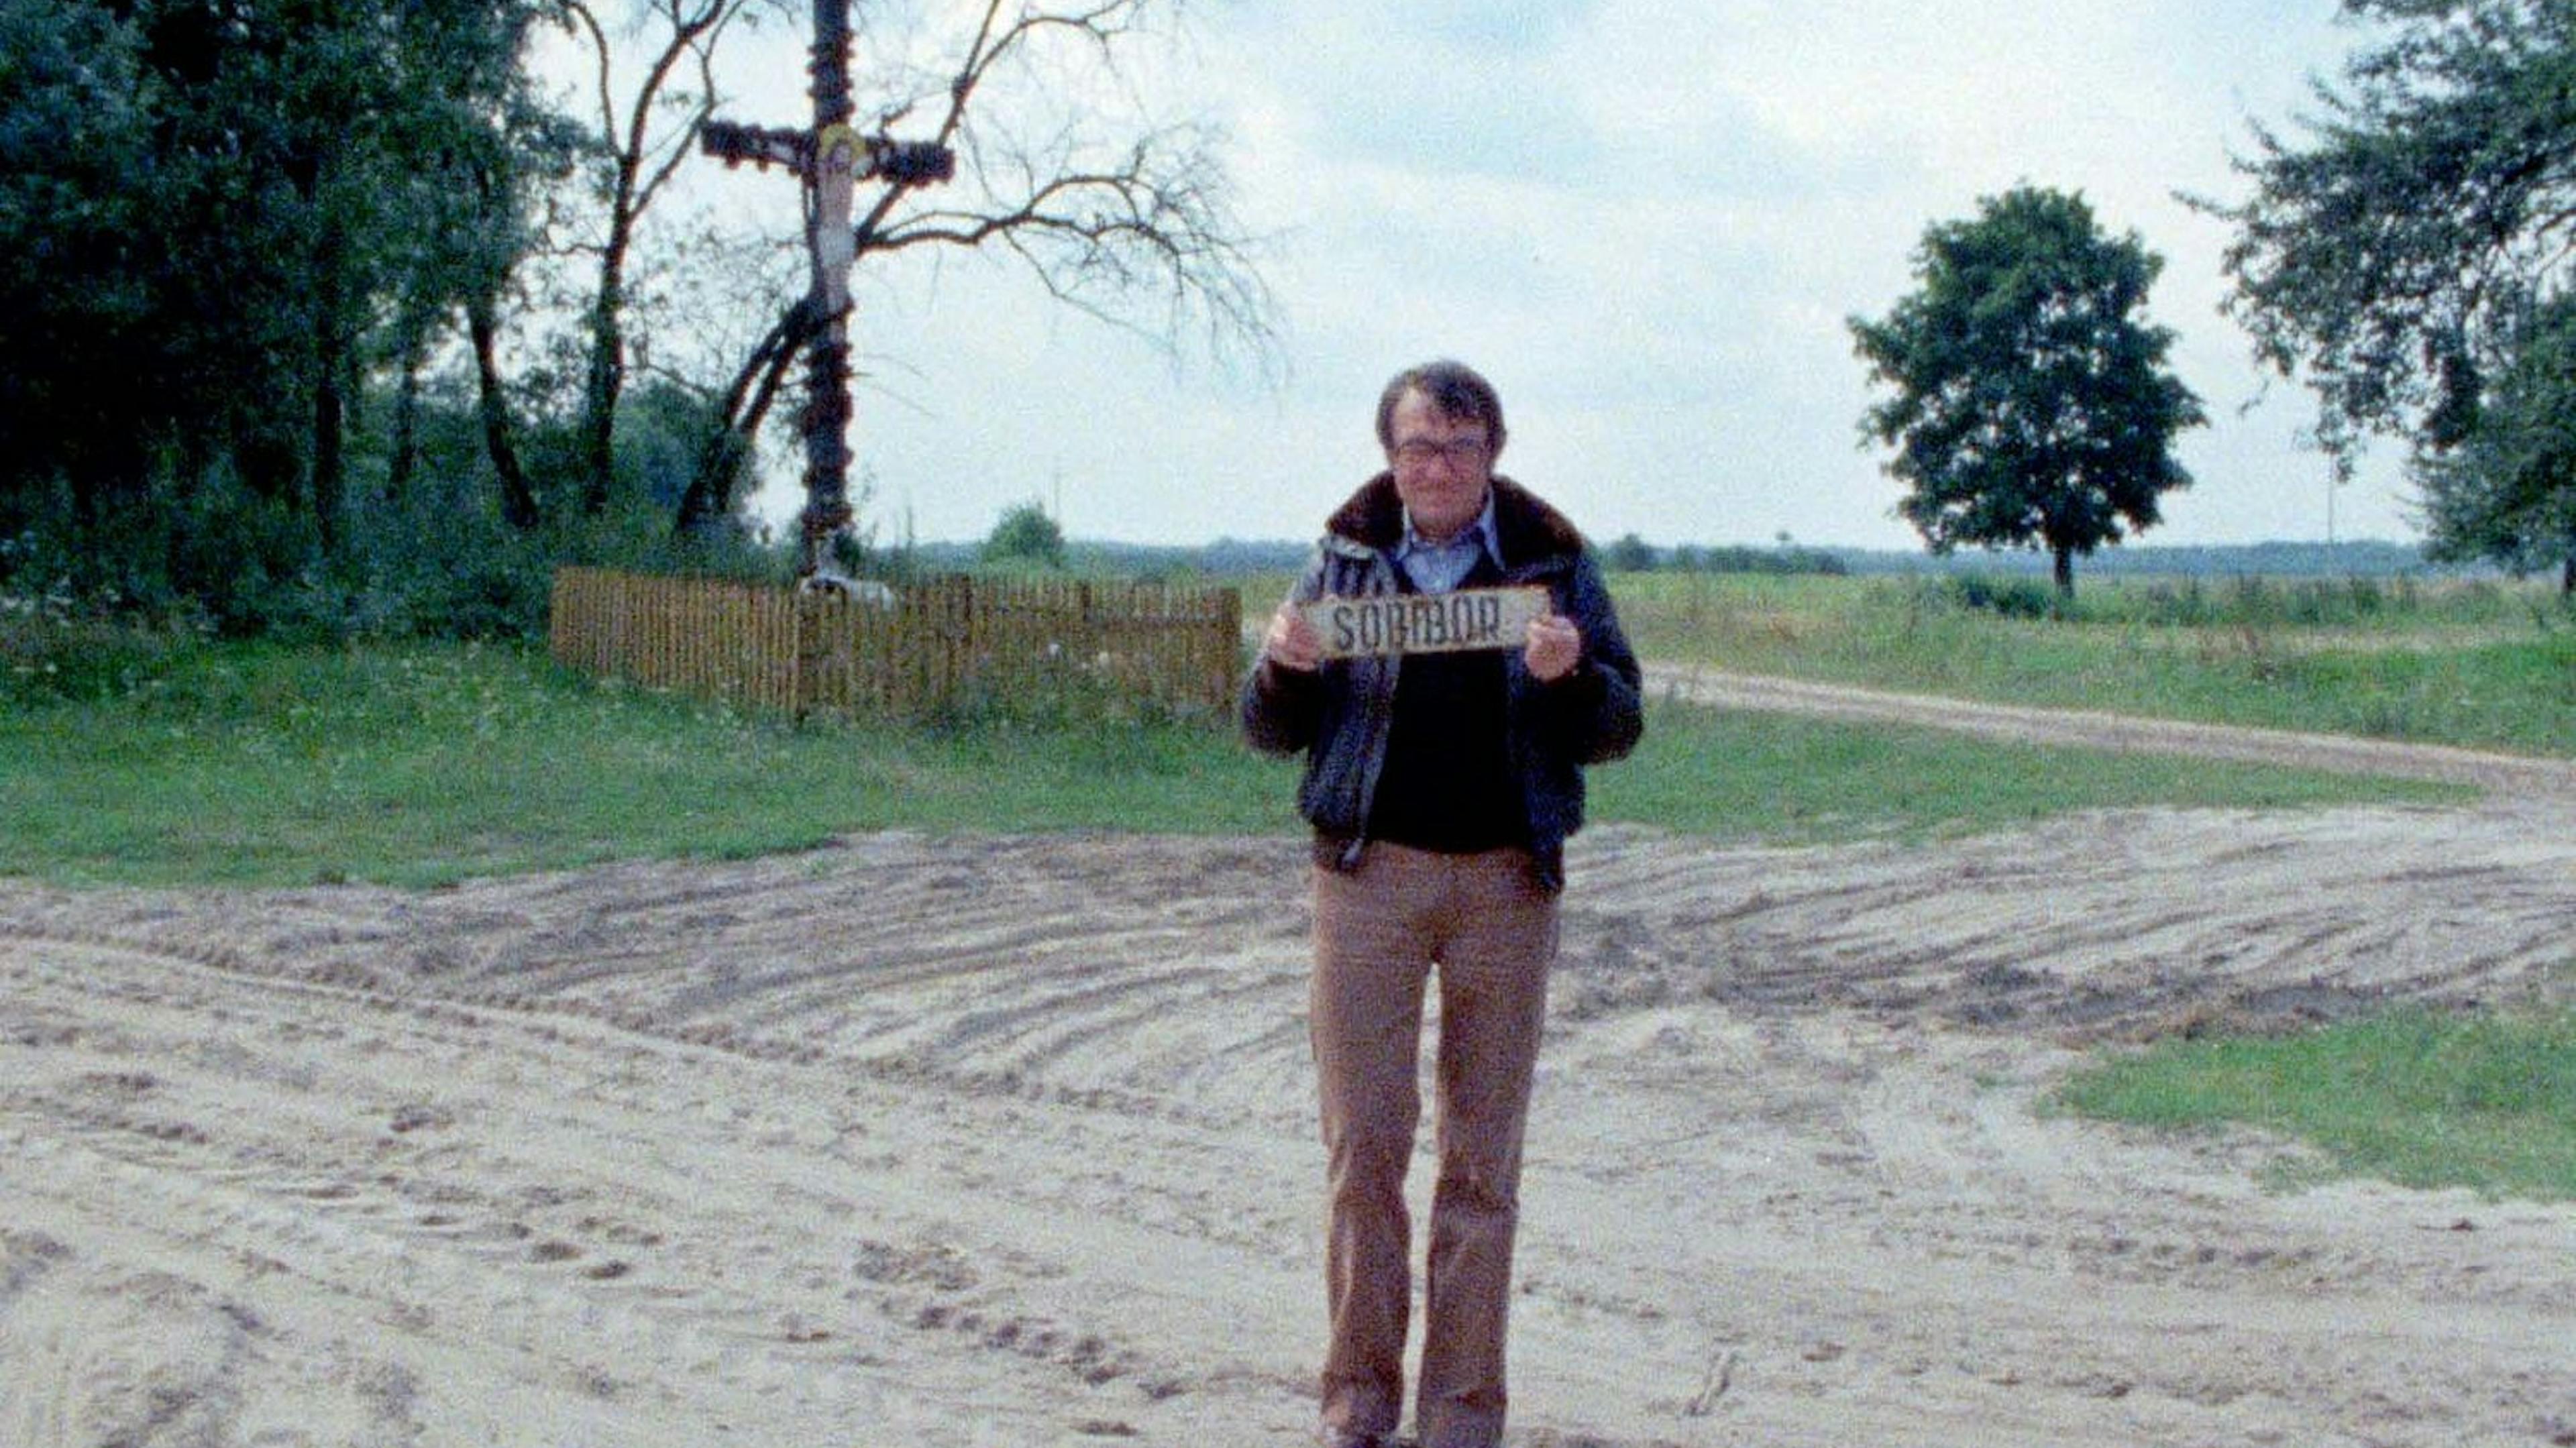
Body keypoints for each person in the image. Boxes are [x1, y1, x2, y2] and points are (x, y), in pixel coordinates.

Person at [1240, 359, 1644, 1448]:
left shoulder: (1552, 565)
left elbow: (1618, 727)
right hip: (1366, 880)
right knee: (1364, 1152)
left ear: (1493, 455)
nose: (1438, 466)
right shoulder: (1342, 560)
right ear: (1390, 456)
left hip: (1508, 887)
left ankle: (1462, 1418)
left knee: (1481, 1165)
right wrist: (1283, 666)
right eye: (1418, 446)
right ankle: (1357, 1406)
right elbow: (1267, 729)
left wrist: (1571, 676)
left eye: (1461, 446)